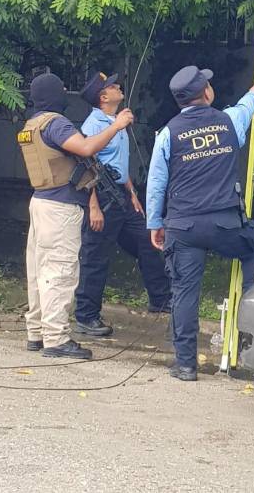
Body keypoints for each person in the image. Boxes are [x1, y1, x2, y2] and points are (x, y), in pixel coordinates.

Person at [146, 66, 254, 382]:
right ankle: (252, 332)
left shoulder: (168, 133)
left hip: (184, 227)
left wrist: (155, 223)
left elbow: (156, 183)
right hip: (225, 223)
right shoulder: (227, 121)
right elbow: (244, 109)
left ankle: (186, 364)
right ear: (207, 93)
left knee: (184, 292)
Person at [17, 73, 134, 359]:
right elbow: (85, 148)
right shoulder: (56, 123)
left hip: (41, 201)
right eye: (61, 89)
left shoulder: (32, 124)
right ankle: (56, 339)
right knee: (60, 271)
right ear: (54, 95)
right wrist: (116, 126)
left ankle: (37, 333)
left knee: (39, 271)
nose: (65, 93)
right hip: (60, 207)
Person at [74, 72, 171, 338]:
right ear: (103, 96)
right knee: (96, 256)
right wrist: (93, 206)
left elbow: (116, 163)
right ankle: (86, 315)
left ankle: (160, 298)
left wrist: (132, 193)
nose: (119, 87)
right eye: (113, 86)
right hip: (100, 195)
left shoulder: (116, 121)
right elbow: (86, 164)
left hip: (121, 194)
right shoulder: (94, 124)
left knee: (148, 239)